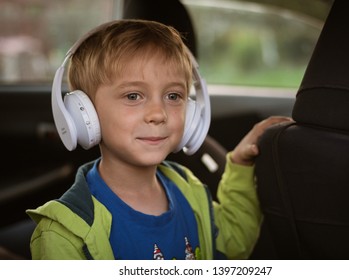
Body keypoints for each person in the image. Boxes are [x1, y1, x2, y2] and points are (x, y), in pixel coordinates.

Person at [26, 19, 290, 260]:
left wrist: (241, 165)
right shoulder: (65, 233)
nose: (158, 114)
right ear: (85, 115)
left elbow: (233, 242)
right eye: (133, 96)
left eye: (173, 96)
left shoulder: (188, 188)